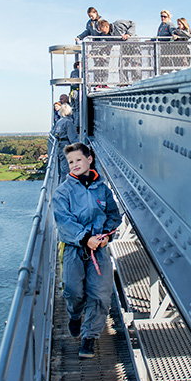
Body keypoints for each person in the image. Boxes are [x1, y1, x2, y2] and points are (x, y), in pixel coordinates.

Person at [52, 142, 121, 359]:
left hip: (98, 251)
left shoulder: (102, 189)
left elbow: (114, 216)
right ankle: (74, 315)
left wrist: (107, 236)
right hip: (73, 249)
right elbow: (64, 221)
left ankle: (89, 337)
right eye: (70, 162)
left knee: (100, 294)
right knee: (73, 292)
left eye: (78, 160)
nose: (74, 165)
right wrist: (85, 238)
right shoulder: (62, 192)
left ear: (89, 159)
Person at [51, 104, 78, 175]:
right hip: (66, 145)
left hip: (60, 146)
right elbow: (72, 138)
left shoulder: (59, 122)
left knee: (63, 167)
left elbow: (54, 134)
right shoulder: (68, 122)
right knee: (67, 168)